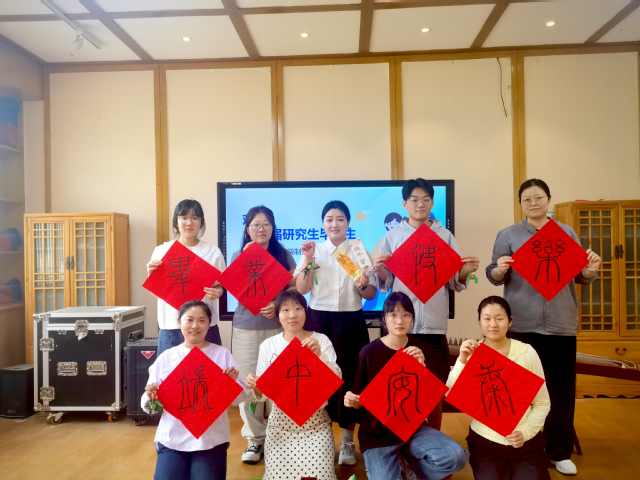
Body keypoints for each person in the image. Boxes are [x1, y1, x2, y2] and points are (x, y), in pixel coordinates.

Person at [486, 178, 601, 476]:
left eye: (538, 198)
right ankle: (520, 448)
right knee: (519, 391)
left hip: (561, 323)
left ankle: (559, 452)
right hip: (522, 323)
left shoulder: (566, 233)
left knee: (560, 390)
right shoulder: (508, 234)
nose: (533, 203)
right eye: (527, 199)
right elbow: (493, 274)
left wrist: (590, 271)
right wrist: (499, 269)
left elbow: (579, 275)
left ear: (548, 199)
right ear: (520, 204)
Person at [374, 178, 480, 430]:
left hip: (434, 327)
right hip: (401, 329)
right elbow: (386, 283)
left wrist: (467, 269)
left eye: (425, 200)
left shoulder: (445, 236)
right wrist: (379, 268)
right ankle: (401, 441)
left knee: (433, 390)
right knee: (401, 390)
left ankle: (433, 441)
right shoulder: (393, 236)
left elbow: (454, 281)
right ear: (404, 204)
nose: (420, 204)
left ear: (432, 203)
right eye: (414, 200)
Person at [344, 292, 467, 480]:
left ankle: (411, 466)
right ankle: (397, 464)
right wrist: (352, 401)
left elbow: (430, 399)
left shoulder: (422, 349)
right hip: (378, 435)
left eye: (406, 315)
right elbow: (361, 402)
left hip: (412, 429)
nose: (399, 321)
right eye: (393, 315)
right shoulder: (369, 352)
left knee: (456, 457)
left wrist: (422, 369)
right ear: (384, 318)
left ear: (412, 319)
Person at [295, 200, 377, 466]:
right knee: (316, 378)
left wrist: (362, 285)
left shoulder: (359, 251)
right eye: (329, 219)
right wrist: (308, 259)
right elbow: (302, 289)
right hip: (319, 321)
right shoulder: (314, 250)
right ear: (323, 223)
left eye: (340, 219)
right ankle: (318, 438)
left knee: (350, 378)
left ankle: (348, 440)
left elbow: (371, 294)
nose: (335, 224)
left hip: (351, 322)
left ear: (348, 223)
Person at [447, 296, 551, 480]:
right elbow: (450, 392)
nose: (493, 324)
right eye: (487, 319)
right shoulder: (473, 354)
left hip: (525, 442)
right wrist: (462, 360)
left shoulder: (526, 352)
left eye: (499, 318)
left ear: (510, 321)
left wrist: (525, 432)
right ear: (480, 322)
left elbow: (542, 403)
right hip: (486, 442)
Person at [142, 300, 249, 480]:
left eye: (201, 320)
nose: (195, 326)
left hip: (211, 439)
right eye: (189, 320)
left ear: (209, 324)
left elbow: (239, 399)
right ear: (179, 322)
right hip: (172, 437)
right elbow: (149, 406)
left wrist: (230, 385)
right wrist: (151, 396)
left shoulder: (222, 354)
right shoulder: (167, 357)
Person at [245, 290, 341, 480]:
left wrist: (319, 355)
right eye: (285, 310)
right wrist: (255, 385)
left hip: (316, 424)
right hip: (279, 425)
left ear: (306, 312)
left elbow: (336, 379)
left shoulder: (320, 340)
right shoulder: (268, 345)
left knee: (321, 476)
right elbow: (263, 395)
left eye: (298, 309)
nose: (292, 315)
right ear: (278, 316)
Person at [231, 206, 297, 464]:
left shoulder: (283, 254)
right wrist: (246, 256)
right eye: (256, 225)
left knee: (278, 382)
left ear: (273, 228)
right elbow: (233, 287)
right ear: (247, 229)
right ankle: (255, 439)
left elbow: (294, 286)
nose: (261, 229)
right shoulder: (238, 254)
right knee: (249, 383)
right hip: (246, 327)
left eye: (266, 224)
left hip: (277, 327)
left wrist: (278, 303)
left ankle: (278, 435)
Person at [147, 199, 226, 355]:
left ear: (201, 222)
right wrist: (152, 279)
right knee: (170, 370)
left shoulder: (212, 251)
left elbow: (221, 285)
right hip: (172, 325)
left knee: (209, 369)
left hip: (204, 325)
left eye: (195, 218)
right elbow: (155, 294)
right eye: (184, 218)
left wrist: (218, 292)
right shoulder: (162, 251)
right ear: (176, 221)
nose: (189, 223)